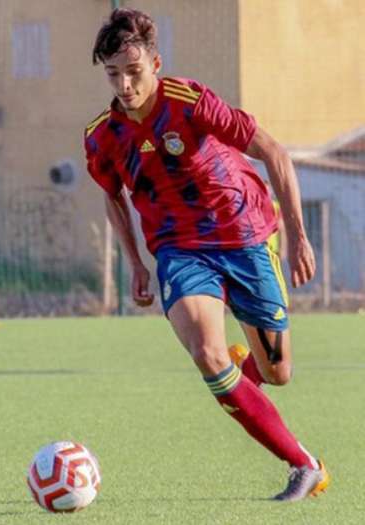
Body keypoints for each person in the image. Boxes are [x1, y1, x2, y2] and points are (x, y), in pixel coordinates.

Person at [85, 10, 328, 501]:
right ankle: (303, 464)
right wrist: (134, 262)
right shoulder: (102, 136)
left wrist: (300, 235)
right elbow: (112, 197)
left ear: (155, 63)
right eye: (114, 74)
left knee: (278, 374)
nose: (126, 84)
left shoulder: (190, 102)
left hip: (245, 235)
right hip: (179, 250)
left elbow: (274, 153)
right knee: (208, 354)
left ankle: (250, 371)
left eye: (134, 72)